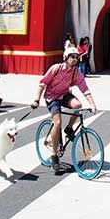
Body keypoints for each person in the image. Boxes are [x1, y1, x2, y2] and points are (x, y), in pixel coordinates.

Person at [30, 47, 97, 175]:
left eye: (77, 57)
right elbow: (42, 84)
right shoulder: (56, 68)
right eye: (72, 57)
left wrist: (92, 104)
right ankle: (54, 156)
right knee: (57, 123)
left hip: (64, 95)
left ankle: (69, 128)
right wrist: (36, 100)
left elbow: (84, 88)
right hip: (52, 97)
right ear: (66, 57)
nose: (75, 60)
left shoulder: (75, 72)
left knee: (78, 105)